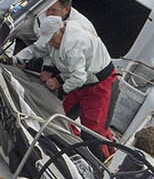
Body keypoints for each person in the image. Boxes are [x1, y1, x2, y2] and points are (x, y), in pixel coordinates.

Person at [15, 13, 117, 146]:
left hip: (99, 85)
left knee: (93, 132)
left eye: (52, 39)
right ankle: (58, 146)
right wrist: (17, 59)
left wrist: (61, 88)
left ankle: (101, 158)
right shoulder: (57, 38)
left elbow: (79, 76)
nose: (50, 43)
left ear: (60, 31)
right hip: (79, 80)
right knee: (59, 116)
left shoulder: (73, 44)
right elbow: (38, 50)